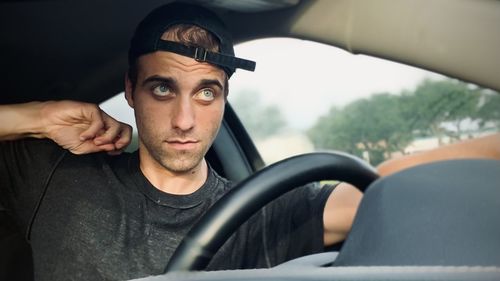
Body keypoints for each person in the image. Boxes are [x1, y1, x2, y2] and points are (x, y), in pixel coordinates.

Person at [0, 2, 499, 281]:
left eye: (207, 92)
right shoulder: (53, 175)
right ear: (130, 91)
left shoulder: (263, 210)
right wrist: (33, 117)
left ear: (224, 97)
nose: (184, 119)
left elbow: (390, 186)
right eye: (161, 88)